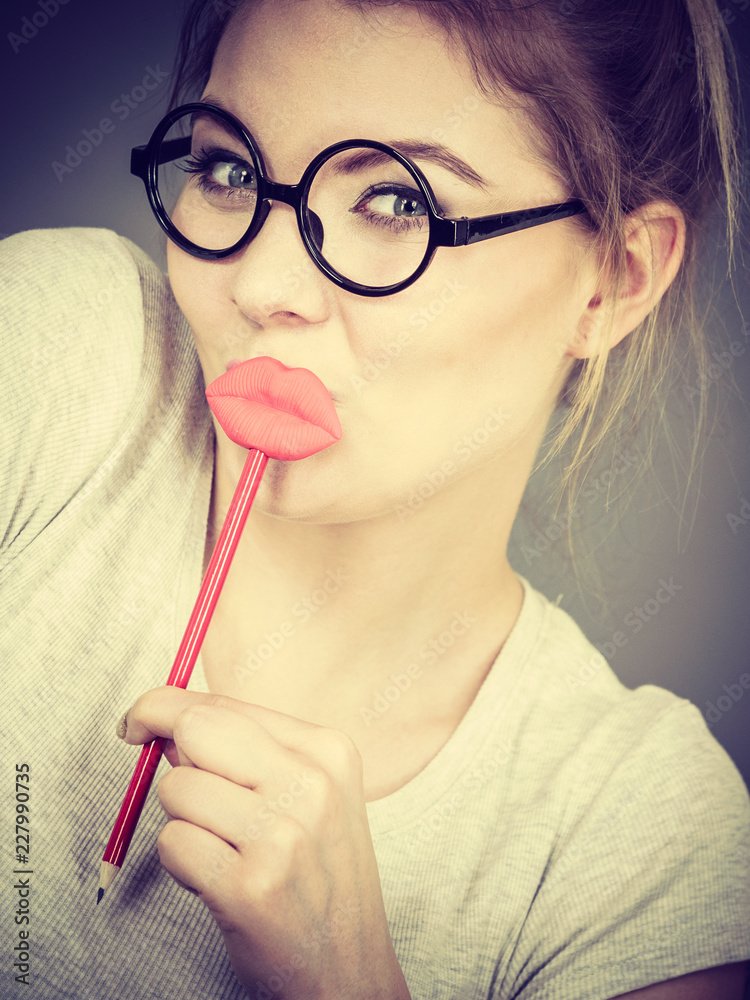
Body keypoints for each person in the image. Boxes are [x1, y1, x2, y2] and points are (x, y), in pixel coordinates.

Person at [1, 0, 748, 997]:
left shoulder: (643, 842)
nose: (265, 282)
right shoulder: (60, 359)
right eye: (228, 170)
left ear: (612, 277)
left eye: (398, 203)